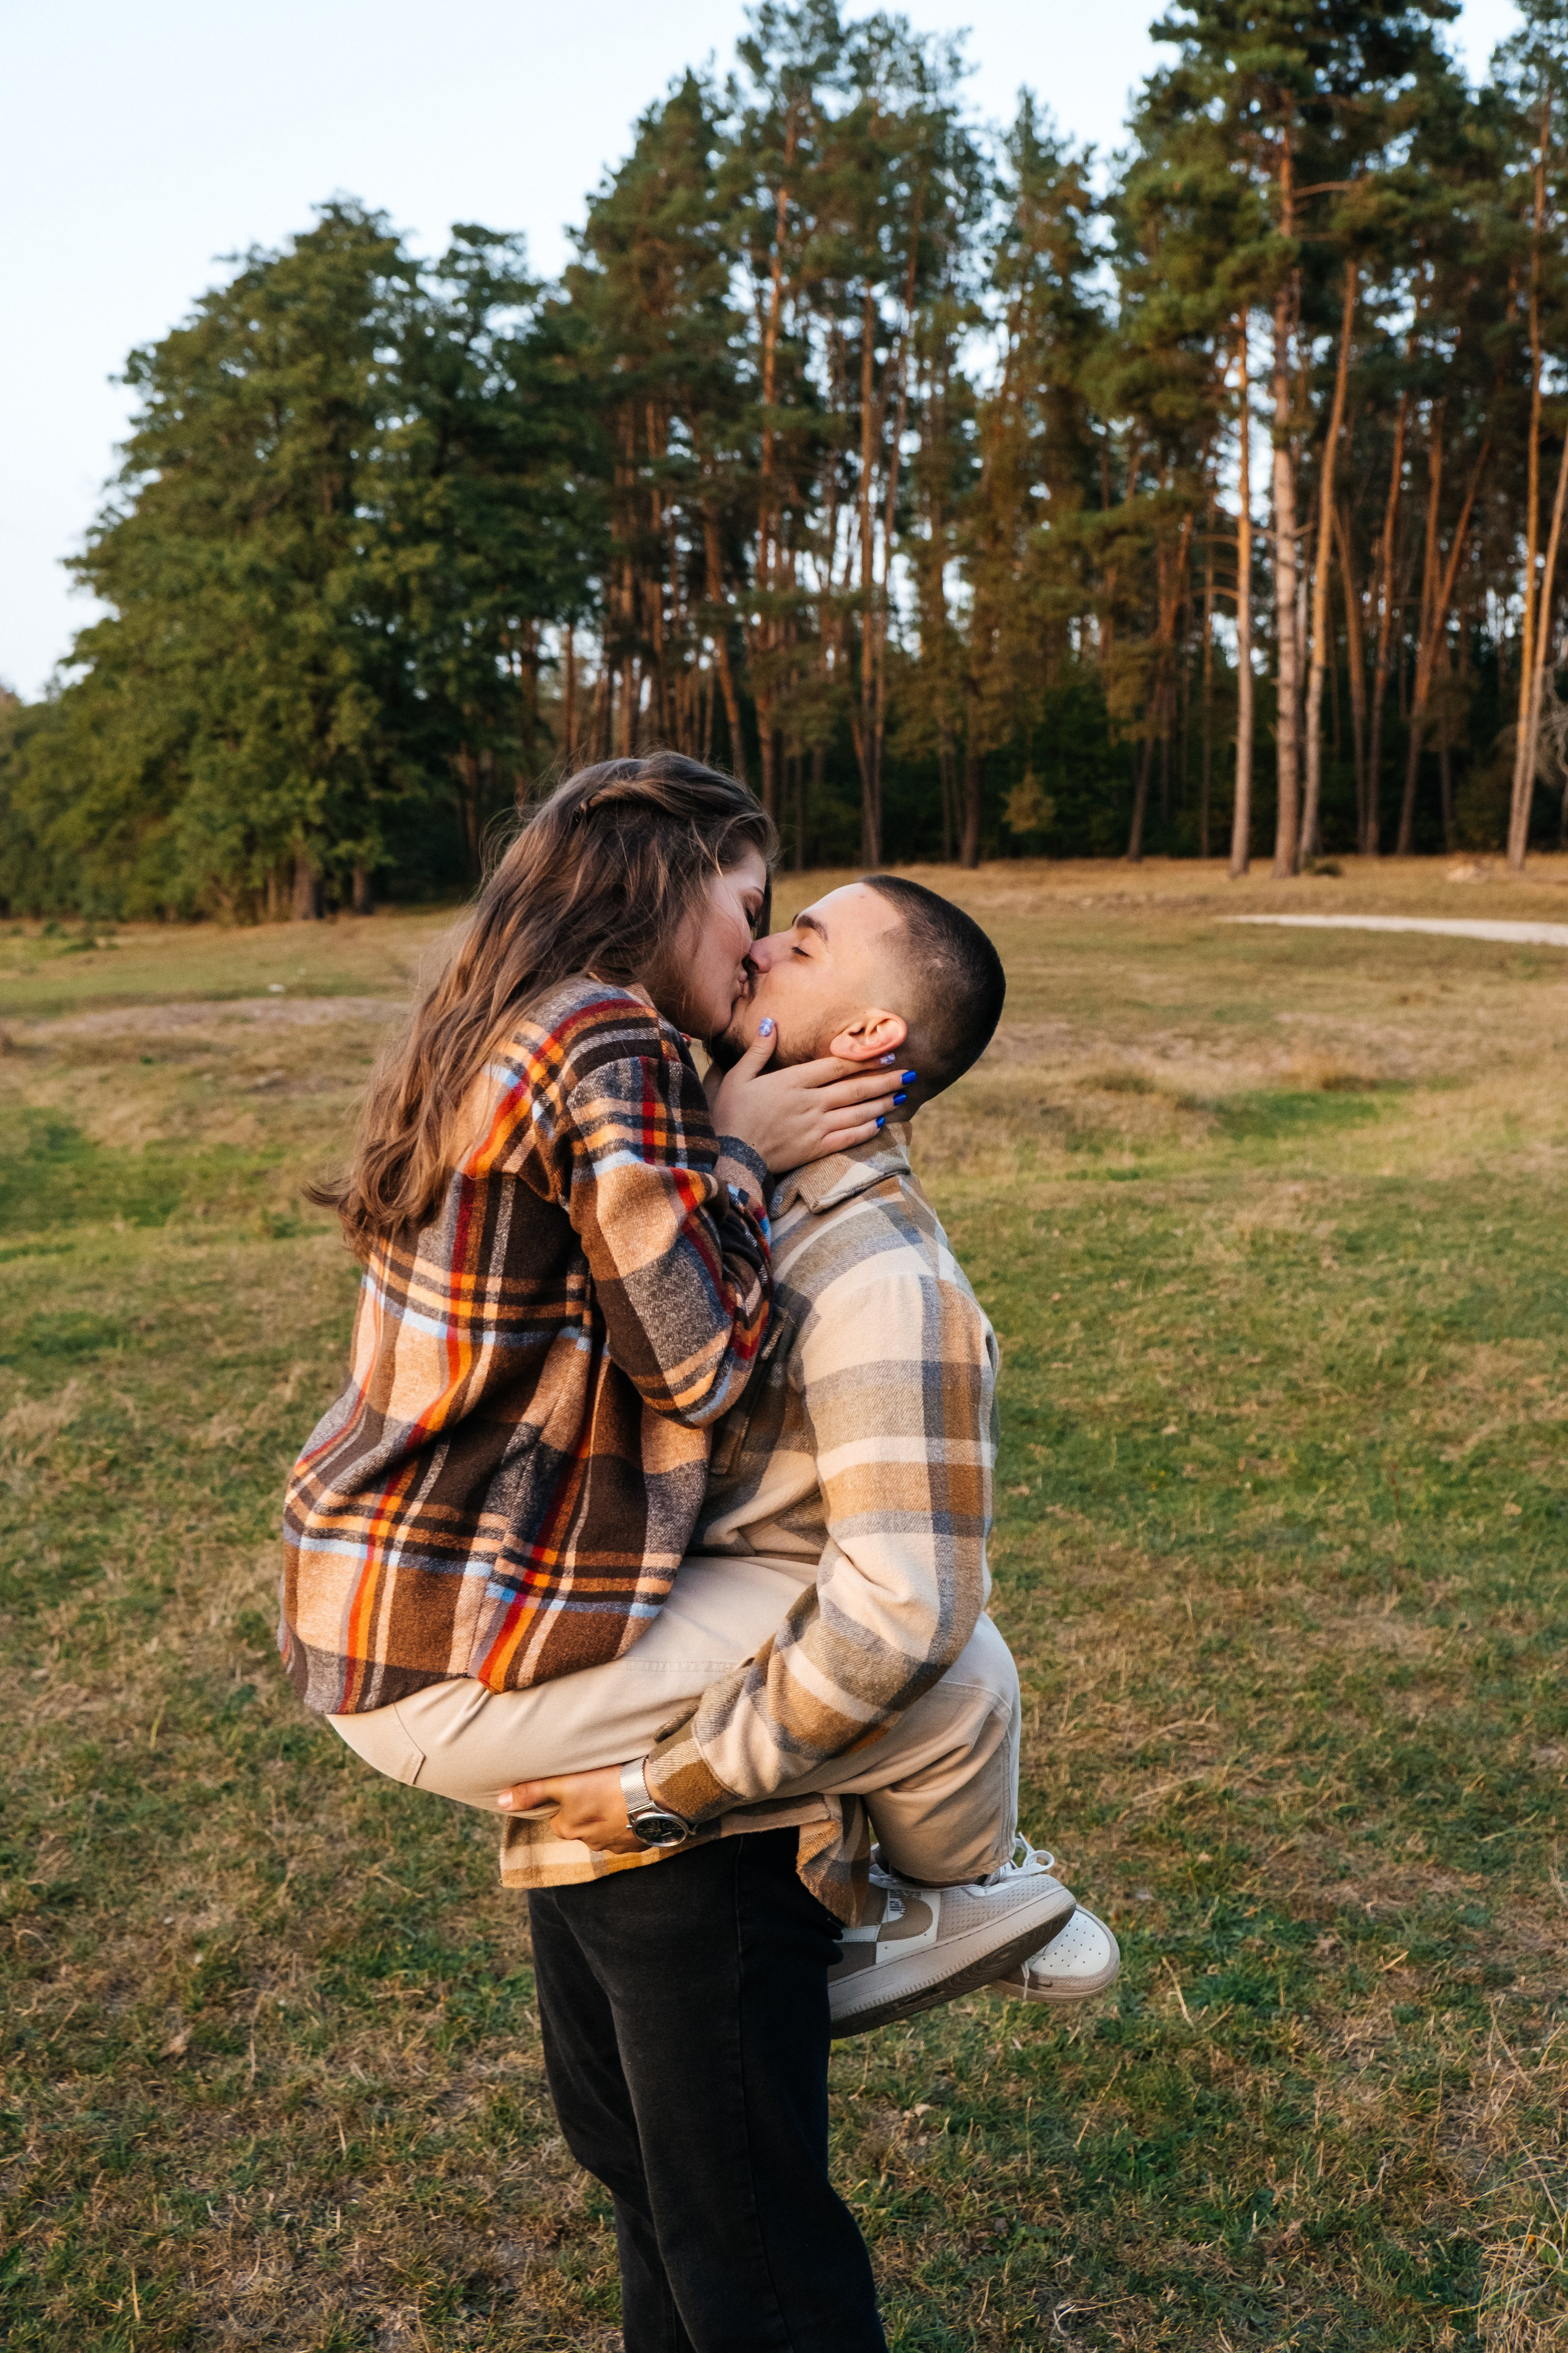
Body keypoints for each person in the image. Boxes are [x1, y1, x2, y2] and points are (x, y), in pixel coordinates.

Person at [328, 871, 1115, 2350]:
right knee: (637, 2180)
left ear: (870, 1030)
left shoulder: (879, 1274)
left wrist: (659, 1792)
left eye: (801, 939)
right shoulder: (696, 1183)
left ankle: (965, 1893)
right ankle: (974, 1888)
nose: (759, 945)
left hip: (725, 1825)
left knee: (746, 2252)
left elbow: (905, 1612)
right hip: (613, 1735)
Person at [281, 753, 899, 1718]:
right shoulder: (607, 1031)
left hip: (369, 1581)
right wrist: (739, 1149)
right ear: (667, 882)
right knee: (911, 1661)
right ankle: (964, 1879)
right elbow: (699, 1368)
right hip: (458, 1605)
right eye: (749, 904)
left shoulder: (517, 1017)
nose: (756, 949)